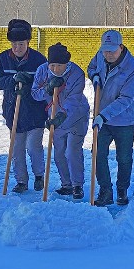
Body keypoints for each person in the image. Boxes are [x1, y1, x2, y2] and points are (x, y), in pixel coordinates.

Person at [0, 19, 48, 193]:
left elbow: (45, 83)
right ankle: (21, 181)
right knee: (16, 150)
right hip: (12, 111)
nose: (17, 48)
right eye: (14, 44)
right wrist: (13, 80)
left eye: (21, 44)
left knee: (33, 147)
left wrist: (29, 86)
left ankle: (39, 176)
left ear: (28, 43)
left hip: (35, 112)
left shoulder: (39, 60)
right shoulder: (3, 59)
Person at [87, 29, 134, 206]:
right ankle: (105, 191)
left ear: (121, 46)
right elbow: (92, 66)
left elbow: (126, 99)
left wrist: (103, 116)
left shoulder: (132, 67)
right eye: (105, 49)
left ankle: (122, 189)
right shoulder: (100, 55)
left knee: (123, 157)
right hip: (101, 117)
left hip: (124, 120)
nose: (108, 54)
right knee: (98, 154)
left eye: (112, 50)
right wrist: (94, 76)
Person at [31, 43, 90, 200]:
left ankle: (77, 185)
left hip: (76, 116)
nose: (56, 69)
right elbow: (35, 93)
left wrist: (61, 116)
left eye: (60, 66)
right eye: (53, 65)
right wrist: (47, 89)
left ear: (67, 64)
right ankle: (66, 185)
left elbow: (74, 99)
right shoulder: (43, 71)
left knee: (72, 151)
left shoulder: (76, 73)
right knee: (59, 153)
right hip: (54, 117)